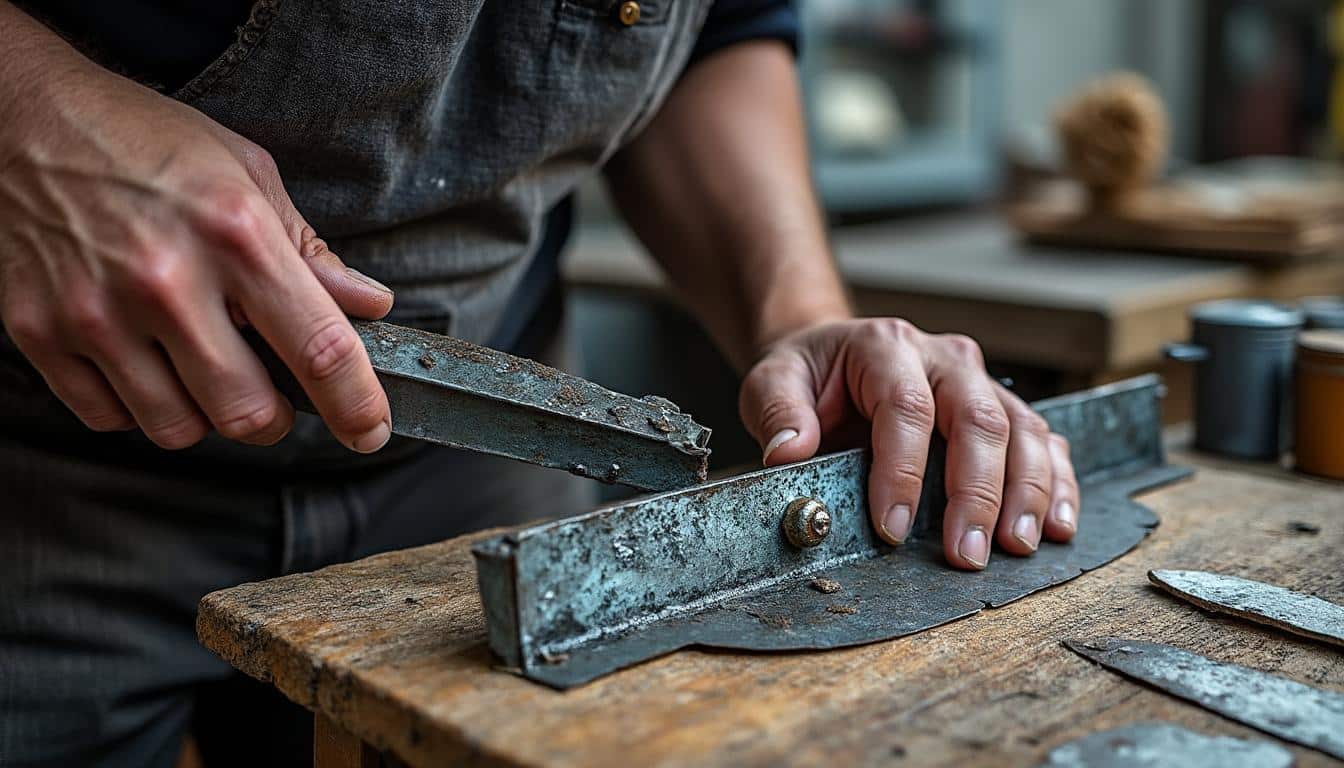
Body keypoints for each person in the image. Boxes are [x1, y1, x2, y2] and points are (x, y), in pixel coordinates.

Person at [0, 1, 1082, 765]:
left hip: (478, 488)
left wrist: (800, 316)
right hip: (42, 459)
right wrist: (28, 120)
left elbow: (718, 32)